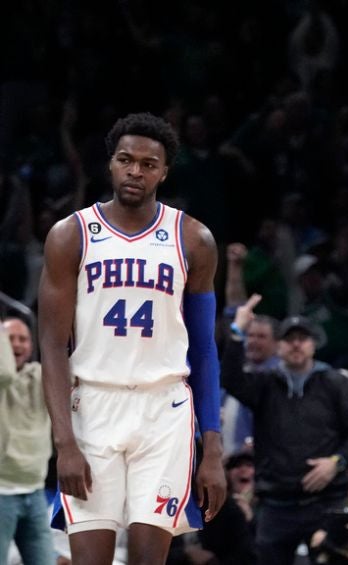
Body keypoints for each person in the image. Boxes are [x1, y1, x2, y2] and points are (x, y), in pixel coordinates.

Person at [38, 112, 227, 564]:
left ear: (164, 171)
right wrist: (64, 442)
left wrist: (214, 449)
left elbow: (203, 348)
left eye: (148, 163)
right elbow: (51, 345)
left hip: (164, 410)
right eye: (126, 160)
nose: (135, 171)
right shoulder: (71, 235)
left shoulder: (193, 238)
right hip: (93, 407)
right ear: (111, 164)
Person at [222, 297, 348, 565]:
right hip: (276, 504)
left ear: (313, 345)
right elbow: (230, 379)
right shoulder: (265, 383)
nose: (296, 344)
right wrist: (237, 332)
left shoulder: (335, 383)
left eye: (303, 338)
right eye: (289, 339)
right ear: (278, 346)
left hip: (327, 502)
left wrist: (337, 462)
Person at [1, 316, 55, 565]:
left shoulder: (40, 377)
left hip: (34, 491)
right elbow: (5, 374)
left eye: (23, 339)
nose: (17, 344)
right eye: (9, 339)